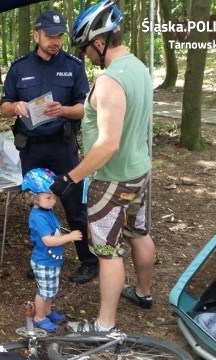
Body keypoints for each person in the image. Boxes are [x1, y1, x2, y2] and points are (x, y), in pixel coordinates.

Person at [50, 0, 155, 333]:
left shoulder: (110, 80)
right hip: (139, 171)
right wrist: (67, 110)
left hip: (112, 180)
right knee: (140, 233)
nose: (86, 57)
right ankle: (143, 292)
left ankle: (104, 325)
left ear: (100, 42)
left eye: (86, 50)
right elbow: (101, 112)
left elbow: (108, 143)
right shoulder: (138, 67)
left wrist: (71, 177)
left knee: (108, 251)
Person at [0, 9, 99, 284]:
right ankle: (43, 256)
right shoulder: (20, 67)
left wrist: (64, 111)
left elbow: (85, 109)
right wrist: (14, 107)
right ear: (36, 35)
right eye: (50, 36)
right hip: (31, 148)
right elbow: (4, 105)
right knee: (38, 204)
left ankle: (88, 261)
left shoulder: (73, 66)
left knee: (73, 204)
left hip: (62, 147)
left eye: (59, 36)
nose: (55, 41)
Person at [22, 168, 83, 332]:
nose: (53, 200)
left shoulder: (46, 211)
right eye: (48, 197)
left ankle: (47, 311)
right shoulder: (38, 217)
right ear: (33, 198)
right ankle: (39, 318)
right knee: (44, 291)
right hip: (44, 261)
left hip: (51, 260)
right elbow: (48, 240)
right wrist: (69, 237)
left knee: (51, 290)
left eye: (54, 196)